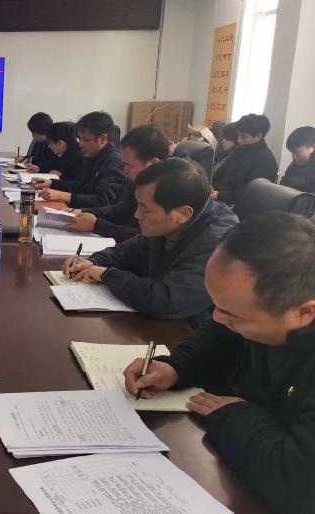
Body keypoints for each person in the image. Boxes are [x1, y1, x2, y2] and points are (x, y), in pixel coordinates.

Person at [123, 213, 315, 514]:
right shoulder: (264, 310)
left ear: (304, 314)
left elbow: (296, 487)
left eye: (233, 315)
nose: (216, 317)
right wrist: (176, 366)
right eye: (216, 305)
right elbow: (222, 335)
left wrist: (234, 416)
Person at [63, 158, 238, 326]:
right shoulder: (170, 221)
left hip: (187, 329)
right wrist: (94, 261)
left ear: (183, 214)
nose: (137, 215)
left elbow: (167, 300)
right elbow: (129, 249)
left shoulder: (219, 245)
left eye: (145, 209)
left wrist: (107, 274)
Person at [66, 124, 169, 242]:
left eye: (129, 165)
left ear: (153, 164)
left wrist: (97, 225)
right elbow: (123, 209)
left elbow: (146, 239)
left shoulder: (169, 192)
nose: (125, 170)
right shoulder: (137, 181)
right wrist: (84, 211)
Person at [33, 111, 125, 208]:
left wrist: (62, 196)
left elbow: (104, 201)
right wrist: (52, 184)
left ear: (103, 139)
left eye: (85, 140)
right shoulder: (94, 156)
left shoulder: (113, 161)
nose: (80, 145)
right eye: (80, 140)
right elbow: (83, 186)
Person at [211, 114, 278, 204]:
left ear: (258, 136)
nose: (239, 140)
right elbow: (219, 174)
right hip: (219, 195)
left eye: (243, 137)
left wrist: (219, 195)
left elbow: (251, 194)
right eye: (238, 136)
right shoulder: (239, 151)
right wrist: (211, 186)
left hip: (235, 204)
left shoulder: (266, 162)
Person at [280, 126, 315, 193]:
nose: (294, 157)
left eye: (297, 153)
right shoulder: (295, 164)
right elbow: (283, 184)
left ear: (313, 147)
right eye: (292, 153)